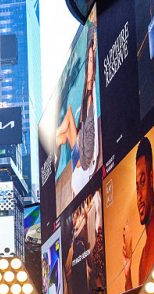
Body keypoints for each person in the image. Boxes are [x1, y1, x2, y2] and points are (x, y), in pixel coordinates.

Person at [123, 136, 154, 290]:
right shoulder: (147, 244)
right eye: (137, 187)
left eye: (143, 182)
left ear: (151, 178)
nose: (139, 196)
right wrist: (127, 268)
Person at [55, 34, 99, 196]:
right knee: (88, 86)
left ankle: (59, 136)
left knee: (87, 88)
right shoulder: (84, 157)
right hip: (82, 160)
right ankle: (59, 136)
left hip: (78, 159)